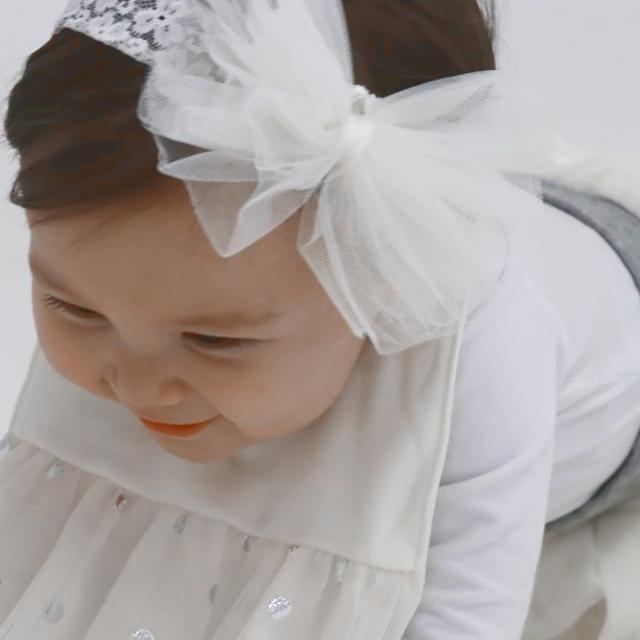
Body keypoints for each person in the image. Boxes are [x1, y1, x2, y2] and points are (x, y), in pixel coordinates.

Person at [1, 1, 640, 639]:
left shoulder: (486, 355)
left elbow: (467, 612)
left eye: (214, 339)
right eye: (73, 307)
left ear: (380, 277)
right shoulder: (142, 278)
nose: (138, 386)